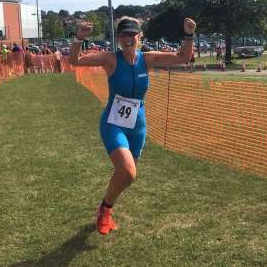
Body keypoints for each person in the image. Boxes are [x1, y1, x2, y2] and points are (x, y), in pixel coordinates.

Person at [68, 16, 196, 235]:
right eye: (124, 34)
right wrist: (80, 37)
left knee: (126, 175)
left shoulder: (147, 59)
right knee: (127, 171)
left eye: (132, 34)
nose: (128, 38)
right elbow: (75, 60)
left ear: (140, 36)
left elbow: (183, 56)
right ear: (118, 38)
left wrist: (189, 34)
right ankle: (105, 211)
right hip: (114, 123)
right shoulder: (110, 59)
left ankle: (106, 207)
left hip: (138, 125)